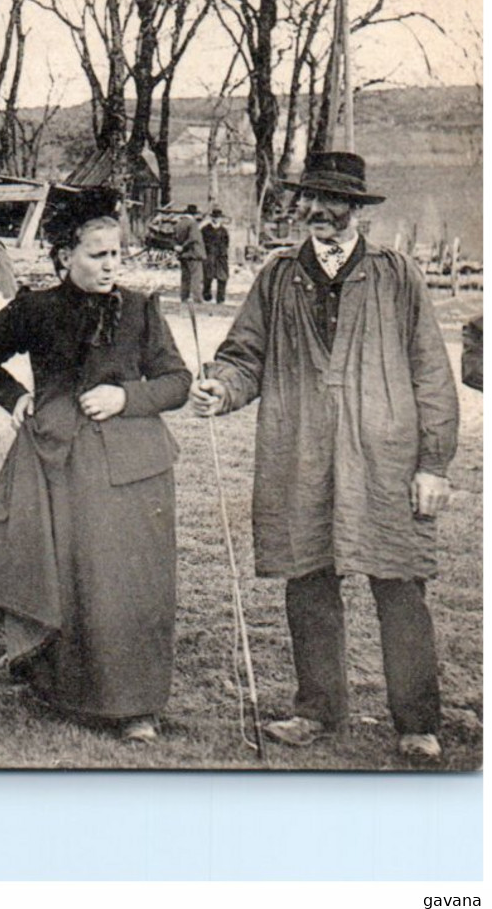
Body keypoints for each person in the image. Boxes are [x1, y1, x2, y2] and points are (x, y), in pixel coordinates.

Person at [190, 151, 459, 762]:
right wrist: (222, 388)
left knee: (399, 585)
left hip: (384, 458)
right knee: (308, 579)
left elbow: (433, 375)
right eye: (308, 201)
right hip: (299, 451)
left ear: (357, 210)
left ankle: (418, 721)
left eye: (333, 203)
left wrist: (433, 464)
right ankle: (318, 709)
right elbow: (243, 355)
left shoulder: (397, 275)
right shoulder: (279, 275)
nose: (318, 213)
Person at [0, 187, 191, 744]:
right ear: (64, 256)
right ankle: (60, 687)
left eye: (116, 254)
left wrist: (126, 399)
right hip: (58, 461)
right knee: (66, 576)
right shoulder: (35, 309)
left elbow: (177, 383)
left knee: (130, 583)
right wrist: (15, 397)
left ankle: (136, 704)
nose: (111, 265)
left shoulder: (141, 310)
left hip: (132, 470)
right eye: (97, 254)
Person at [174, 203, 206, 303]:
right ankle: (197, 298)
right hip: (193, 254)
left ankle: (184, 297)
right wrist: (184, 246)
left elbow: (174, 237)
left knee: (185, 277)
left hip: (183, 255)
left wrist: (179, 248)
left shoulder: (179, 223)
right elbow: (193, 238)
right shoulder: (193, 224)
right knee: (196, 277)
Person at [201, 208, 230, 304]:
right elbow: (202, 243)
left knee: (222, 277)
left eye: (218, 218)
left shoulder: (223, 231)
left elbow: (226, 243)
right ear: (211, 218)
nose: (216, 219)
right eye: (215, 217)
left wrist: (223, 252)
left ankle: (220, 298)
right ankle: (206, 296)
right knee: (207, 277)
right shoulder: (205, 230)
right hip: (209, 255)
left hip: (221, 257)